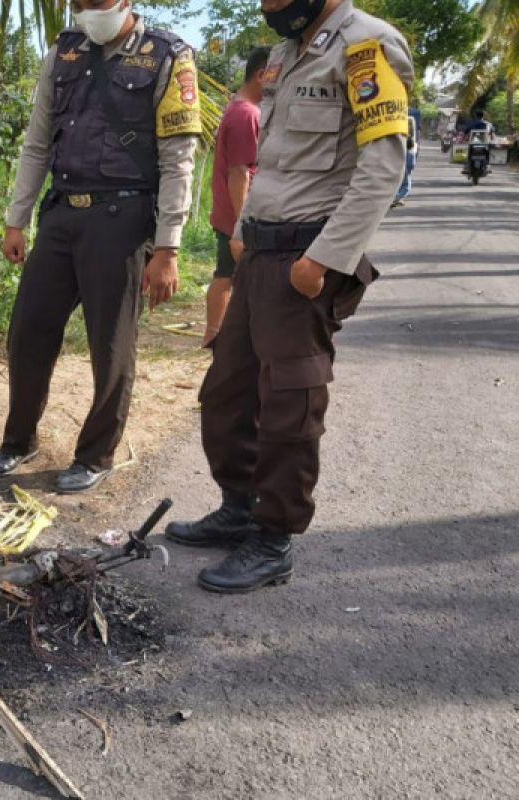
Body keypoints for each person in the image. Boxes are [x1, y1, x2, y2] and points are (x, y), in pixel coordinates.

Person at [164, 0, 412, 592]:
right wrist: (245, 232)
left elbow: (383, 167)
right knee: (226, 389)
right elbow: (271, 160)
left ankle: (273, 539)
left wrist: (321, 262)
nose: (266, 5)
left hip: (307, 258)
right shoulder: (284, 54)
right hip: (261, 254)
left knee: (288, 403)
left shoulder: (366, 45)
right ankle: (238, 507)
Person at [0, 0, 201, 494]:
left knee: (110, 346)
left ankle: (96, 453)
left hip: (122, 219)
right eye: (78, 3)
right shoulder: (63, 52)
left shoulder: (167, 55)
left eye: (95, 2)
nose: (86, 10)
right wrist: (16, 220)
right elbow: (38, 141)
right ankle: (19, 441)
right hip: (62, 213)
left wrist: (167, 248)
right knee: (28, 331)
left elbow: (178, 159)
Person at [205, 47, 271, 346]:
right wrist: (241, 227)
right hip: (236, 216)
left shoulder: (240, 108)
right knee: (228, 275)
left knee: (228, 274)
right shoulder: (247, 115)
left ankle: (218, 335)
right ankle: (214, 336)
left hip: (231, 213)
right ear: (261, 75)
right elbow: (239, 173)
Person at [392, 112, 418, 207]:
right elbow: (412, 164)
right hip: (405, 168)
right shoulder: (410, 151)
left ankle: (397, 198)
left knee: (399, 183)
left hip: (398, 167)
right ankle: (397, 198)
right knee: (406, 185)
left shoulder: (398, 148)